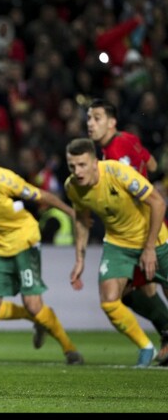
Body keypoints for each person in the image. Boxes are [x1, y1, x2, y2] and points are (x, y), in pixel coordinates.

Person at [0, 132, 84, 365]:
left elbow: (41, 195)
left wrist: (72, 213)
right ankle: (36, 319)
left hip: (24, 240)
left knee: (33, 304)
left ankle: (70, 350)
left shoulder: (2, 179)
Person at [65, 138, 168, 367]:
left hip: (154, 240)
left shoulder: (118, 172)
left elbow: (158, 203)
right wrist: (79, 259)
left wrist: (150, 248)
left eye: (82, 165)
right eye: (72, 166)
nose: (77, 172)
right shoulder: (72, 187)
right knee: (109, 300)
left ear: (95, 162)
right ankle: (145, 347)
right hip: (118, 244)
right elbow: (81, 219)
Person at [86, 99, 168, 364]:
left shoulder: (114, 153)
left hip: (141, 230)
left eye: (97, 118)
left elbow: (132, 188)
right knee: (142, 288)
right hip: (145, 226)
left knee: (134, 290)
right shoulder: (128, 139)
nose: (90, 123)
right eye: (89, 118)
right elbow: (152, 165)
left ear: (112, 122)